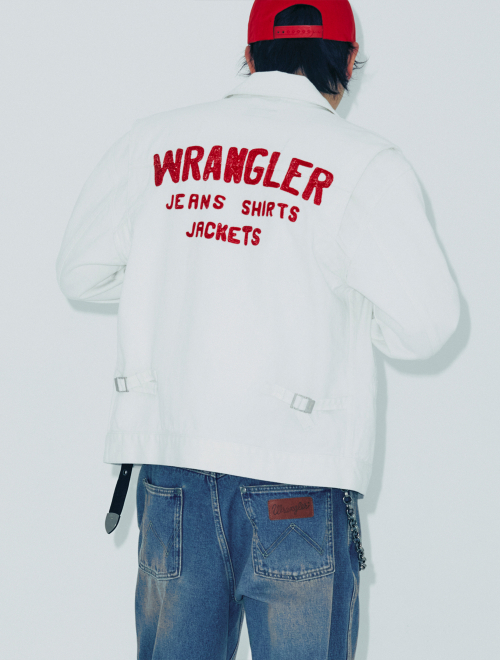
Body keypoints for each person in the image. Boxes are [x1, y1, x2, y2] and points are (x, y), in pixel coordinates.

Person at [55, 1, 460, 658]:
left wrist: (177, 282)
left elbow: (79, 272)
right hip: (297, 476)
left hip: (173, 468)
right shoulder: (363, 163)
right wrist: (344, 310)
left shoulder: (154, 142)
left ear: (249, 56)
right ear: (348, 60)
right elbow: (429, 326)